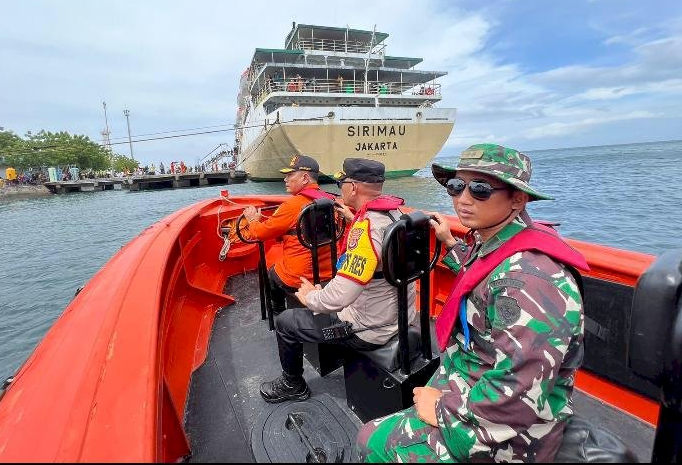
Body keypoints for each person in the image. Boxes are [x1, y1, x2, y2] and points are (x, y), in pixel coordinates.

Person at [357, 144, 588, 463]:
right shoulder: (496, 243)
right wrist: (450, 245)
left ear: (517, 199)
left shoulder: (528, 280)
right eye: (456, 186)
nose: (463, 199)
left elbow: (516, 397)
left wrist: (439, 408)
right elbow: (479, 271)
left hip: (509, 435)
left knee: (370, 441)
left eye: (480, 189)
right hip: (470, 383)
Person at [258, 158, 410, 404]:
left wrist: (311, 298)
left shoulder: (366, 230)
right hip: (396, 315)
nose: (340, 189)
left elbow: (340, 297)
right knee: (326, 290)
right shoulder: (395, 215)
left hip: (368, 329)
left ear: (353, 187)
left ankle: (292, 384)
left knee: (286, 321)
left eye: (341, 183)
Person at [243, 155, 336, 315]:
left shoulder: (291, 206)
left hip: (299, 276)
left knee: (271, 272)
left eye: (289, 175)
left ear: (305, 177)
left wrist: (252, 221)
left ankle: (277, 313)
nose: (285, 179)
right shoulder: (331, 200)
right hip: (330, 272)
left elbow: (259, 233)